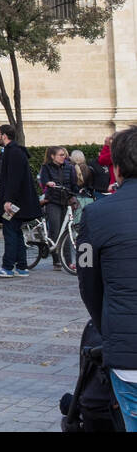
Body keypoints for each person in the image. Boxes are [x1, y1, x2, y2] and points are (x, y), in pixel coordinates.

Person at [77, 126, 137, 431]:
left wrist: (108, 326)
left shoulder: (96, 215)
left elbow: (88, 284)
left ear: (115, 168)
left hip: (128, 355)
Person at [0, 124, 40, 278]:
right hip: (15, 201)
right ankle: (22, 267)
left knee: (10, 232)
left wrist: (8, 200)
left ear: (4, 136)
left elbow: (15, 179)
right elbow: (8, 175)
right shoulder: (9, 152)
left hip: (13, 203)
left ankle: (8, 267)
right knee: (16, 233)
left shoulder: (14, 153)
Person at [39, 146, 80, 271]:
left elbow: (74, 185)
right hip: (53, 201)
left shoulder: (70, 168)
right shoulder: (46, 167)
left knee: (65, 232)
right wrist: (48, 183)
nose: (64, 157)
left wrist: (77, 193)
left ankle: (67, 262)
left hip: (66, 201)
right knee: (56, 231)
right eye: (61, 155)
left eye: (64, 155)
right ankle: (56, 260)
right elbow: (43, 180)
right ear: (53, 156)